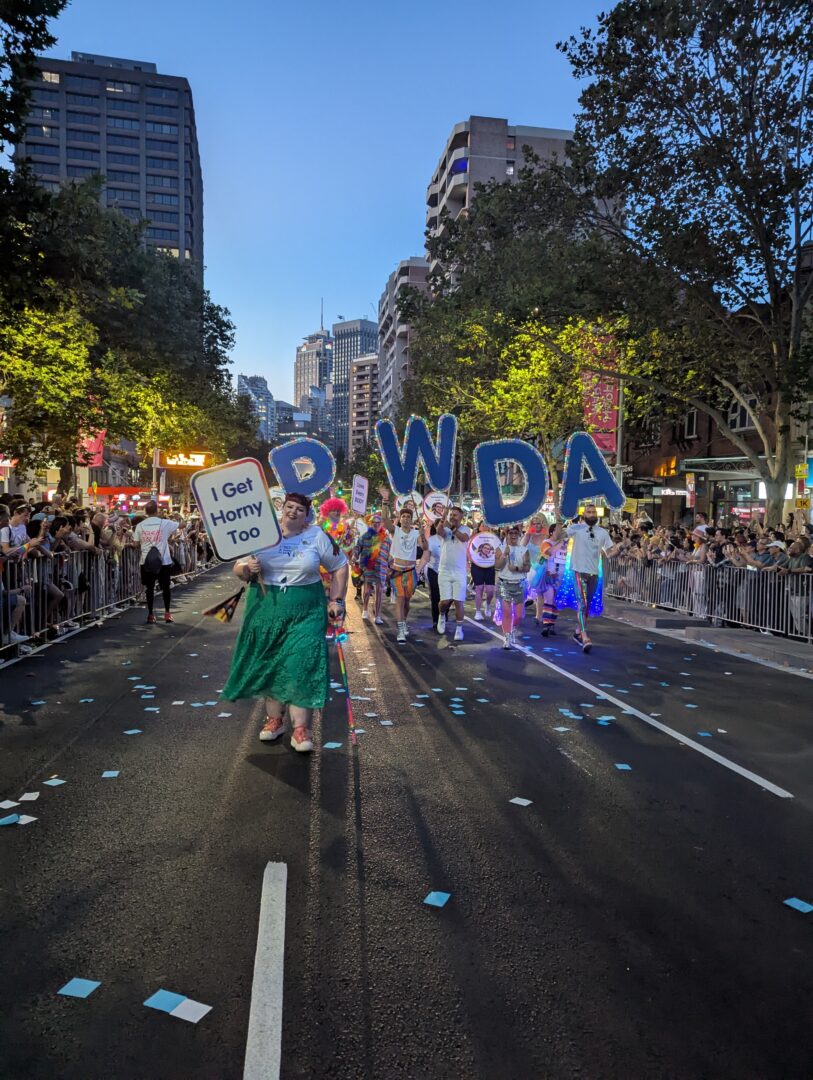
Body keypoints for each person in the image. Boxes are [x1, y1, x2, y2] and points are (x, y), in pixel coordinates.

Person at [223, 492, 348, 752]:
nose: (293, 512)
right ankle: (274, 721)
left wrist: (337, 600)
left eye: (299, 509)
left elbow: (340, 564)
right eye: (289, 507)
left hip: (306, 610)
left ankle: (301, 729)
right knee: (272, 663)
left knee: (300, 662)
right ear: (282, 509)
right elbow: (239, 568)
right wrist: (248, 568)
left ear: (306, 515)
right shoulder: (260, 534)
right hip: (267, 608)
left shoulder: (316, 536)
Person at [565, 505, 618, 652]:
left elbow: (609, 553)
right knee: (582, 604)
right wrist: (559, 519)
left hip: (594, 573)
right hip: (578, 571)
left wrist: (620, 548)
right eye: (589, 512)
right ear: (583, 515)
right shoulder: (575, 528)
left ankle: (577, 632)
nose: (592, 514)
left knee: (587, 605)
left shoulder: (602, 532)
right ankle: (584, 635)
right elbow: (559, 536)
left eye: (593, 512)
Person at [133, 500, 179, 624]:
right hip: (163, 561)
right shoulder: (165, 523)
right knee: (165, 588)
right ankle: (167, 613)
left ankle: (151, 614)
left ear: (145, 512)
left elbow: (136, 543)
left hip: (146, 561)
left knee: (149, 588)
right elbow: (181, 524)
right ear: (157, 511)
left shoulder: (140, 525)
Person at [384, 503, 420, 643]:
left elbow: (425, 547)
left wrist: (423, 536)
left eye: (408, 517)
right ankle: (400, 629)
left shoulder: (416, 533)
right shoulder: (396, 531)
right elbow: (385, 521)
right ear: (400, 518)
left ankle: (404, 621)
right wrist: (385, 502)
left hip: (411, 571)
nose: (405, 519)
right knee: (399, 599)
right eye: (403, 516)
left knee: (406, 601)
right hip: (397, 570)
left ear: (411, 519)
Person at [436, 505, 471, 640]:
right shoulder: (445, 528)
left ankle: (459, 629)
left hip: (459, 571)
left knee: (458, 602)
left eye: (455, 515)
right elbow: (439, 531)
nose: (453, 517)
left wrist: (451, 526)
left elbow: (463, 538)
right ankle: (442, 615)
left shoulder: (466, 529)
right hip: (444, 570)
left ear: (461, 517)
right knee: (444, 601)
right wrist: (443, 516)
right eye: (451, 515)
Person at [495, 525, 530, 648]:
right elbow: (497, 566)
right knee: (507, 613)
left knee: (519, 616)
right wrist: (504, 555)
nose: (513, 535)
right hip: (504, 584)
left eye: (516, 533)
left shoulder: (524, 550)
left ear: (519, 534)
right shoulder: (500, 549)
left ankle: (513, 628)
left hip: (519, 585)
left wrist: (516, 568)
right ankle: (507, 637)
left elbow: (527, 567)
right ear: (507, 534)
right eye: (511, 533)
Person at [355, 510, 390, 624]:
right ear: (370, 524)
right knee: (366, 591)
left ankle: (378, 616)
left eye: (378, 522)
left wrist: (392, 564)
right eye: (373, 522)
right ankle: (365, 609)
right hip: (368, 567)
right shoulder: (364, 536)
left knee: (379, 591)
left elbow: (390, 552)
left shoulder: (386, 538)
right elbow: (357, 548)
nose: (376, 524)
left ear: (381, 524)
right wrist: (354, 557)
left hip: (381, 568)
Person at [538, 522, 568, 636]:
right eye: (558, 529)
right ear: (552, 531)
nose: (560, 531)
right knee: (549, 599)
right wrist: (560, 543)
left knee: (556, 602)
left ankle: (552, 624)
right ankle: (546, 624)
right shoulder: (546, 543)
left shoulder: (565, 544)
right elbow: (548, 552)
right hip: (549, 575)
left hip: (561, 576)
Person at [468, 520, 497, 621]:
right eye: (482, 525)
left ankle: (487, 604)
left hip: (489, 567)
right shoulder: (474, 538)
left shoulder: (493, 537)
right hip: (477, 566)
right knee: (479, 588)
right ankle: (478, 611)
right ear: (479, 527)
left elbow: (497, 549)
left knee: (490, 590)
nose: (484, 527)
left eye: (486, 525)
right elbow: (469, 550)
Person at [418, 524, 442, 630]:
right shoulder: (431, 540)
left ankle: (443, 614)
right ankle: (436, 619)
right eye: (439, 526)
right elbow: (425, 557)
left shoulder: (451, 538)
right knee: (435, 596)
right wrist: (417, 571)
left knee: (447, 597)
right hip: (433, 570)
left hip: (448, 572)